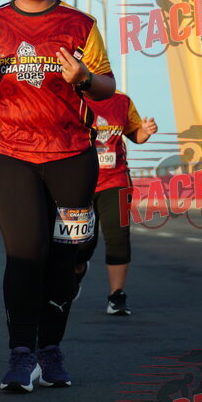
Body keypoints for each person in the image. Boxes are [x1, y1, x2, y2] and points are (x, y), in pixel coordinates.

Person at [0, 0, 116, 392]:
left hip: (72, 157)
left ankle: (51, 349)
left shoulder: (80, 24)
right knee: (27, 253)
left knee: (66, 257)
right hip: (11, 157)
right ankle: (22, 354)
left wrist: (84, 77)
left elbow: (106, 87)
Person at [74, 93, 157, 315]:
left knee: (118, 237)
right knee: (82, 243)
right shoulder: (71, 94)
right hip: (79, 181)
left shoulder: (122, 101)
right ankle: (77, 269)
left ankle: (116, 296)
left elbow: (135, 134)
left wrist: (145, 131)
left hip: (116, 180)